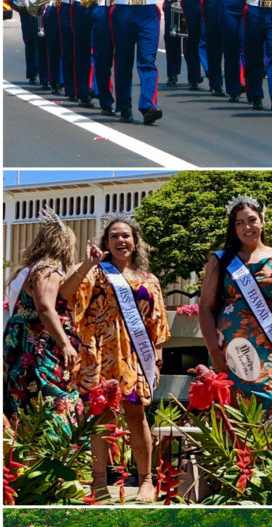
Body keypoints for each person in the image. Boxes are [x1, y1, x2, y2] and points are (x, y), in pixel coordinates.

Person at [60, 216, 170, 502]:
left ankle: (146, 480)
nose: (121, 240)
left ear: (135, 242)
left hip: (135, 355)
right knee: (102, 416)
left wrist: (156, 361)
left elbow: (157, 325)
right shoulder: (95, 274)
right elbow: (66, 293)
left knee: (137, 416)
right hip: (100, 352)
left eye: (126, 236)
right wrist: (88, 264)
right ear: (106, 243)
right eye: (114, 237)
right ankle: (99, 483)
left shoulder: (149, 280)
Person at [199, 196, 272, 415]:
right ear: (233, 228)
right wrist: (214, 352)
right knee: (233, 417)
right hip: (230, 350)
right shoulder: (221, 260)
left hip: (268, 349)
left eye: (252, 220)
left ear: (262, 221)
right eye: (239, 223)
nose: (247, 227)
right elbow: (206, 308)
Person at [3, 212, 80, 421]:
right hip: (38, 348)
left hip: (21, 344)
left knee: (22, 404)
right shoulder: (49, 269)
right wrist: (64, 343)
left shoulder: (28, 270)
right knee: (50, 406)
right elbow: (45, 307)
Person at [85, 0, 122, 115]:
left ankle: (124, 103)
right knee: (103, 58)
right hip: (103, 8)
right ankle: (106, 100)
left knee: (123, 58)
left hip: (122, 8)